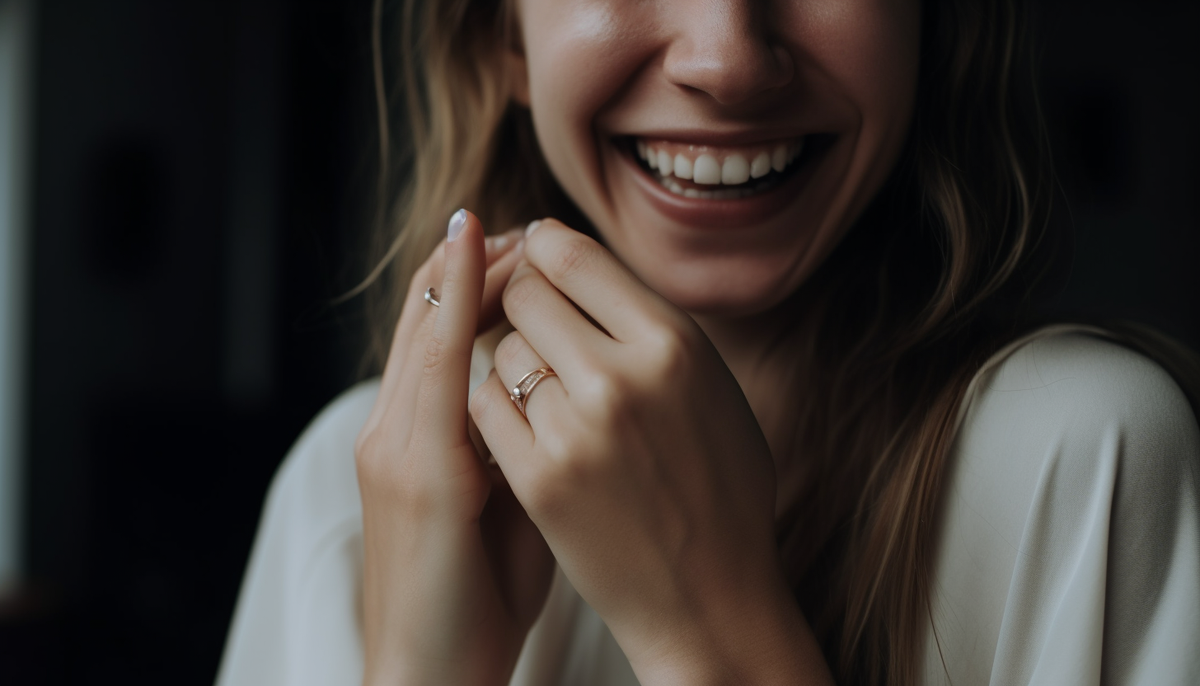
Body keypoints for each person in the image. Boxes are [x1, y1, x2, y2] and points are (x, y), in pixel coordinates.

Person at [215, 0, 1200, 684]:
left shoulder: (1093, 463)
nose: (726, 61)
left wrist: (711, 636)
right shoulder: (338, 495)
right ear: (500, 34)